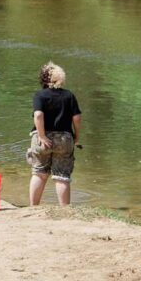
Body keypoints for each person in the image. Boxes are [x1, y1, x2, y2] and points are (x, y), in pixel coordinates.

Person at [27, 62, 82, 206]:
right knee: (62, 176)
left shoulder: (40, 95)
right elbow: (77, 118)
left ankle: (33, 207)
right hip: (64, 138)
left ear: (44, 79)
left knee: (39, 173)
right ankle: (65, 210)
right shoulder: (69, 95)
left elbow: (38, 115)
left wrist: (42, 135)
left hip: (41, 139)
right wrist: (77, 136)